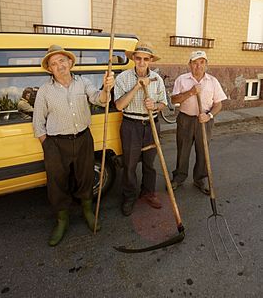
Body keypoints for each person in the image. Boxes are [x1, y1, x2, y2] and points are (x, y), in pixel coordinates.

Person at [32, 44, 114, 246]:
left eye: (61, 60)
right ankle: (62, 221)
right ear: (49, 69)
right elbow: (37, 122)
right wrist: (48, 145)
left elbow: (99, 99)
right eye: (53, 63)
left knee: (86, 177)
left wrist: (106, 87)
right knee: (57, 183)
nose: (59, 65)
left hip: (83, 139)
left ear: (69, 62)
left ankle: (87, 212)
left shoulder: (83, 82)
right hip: (56, 144)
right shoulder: (44, 90)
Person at [114, 42, 167, 216]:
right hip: (131, 125)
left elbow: (163, 104)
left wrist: (155, 105)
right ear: (133, 59)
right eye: (138, 58)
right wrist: (137, 86)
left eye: (146, 59)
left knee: (149, 163)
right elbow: (120, 105)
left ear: (150, 60)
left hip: (151, 123)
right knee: (129, 164)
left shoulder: (157, 79)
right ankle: (129, 197)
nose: (142, 62)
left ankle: (148, 193)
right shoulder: (123, 77)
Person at [170, 50, 227, 194]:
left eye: (202, 62)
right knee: (183, 150)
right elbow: (173, 100)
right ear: (189, 64)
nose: (198, 66)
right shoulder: (182, 80)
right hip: (185, 119)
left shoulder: (213, 81)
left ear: (206, 64)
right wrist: (190, 92)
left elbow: (218, 104)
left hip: (204, 120)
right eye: (195, 63)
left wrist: (209, 116)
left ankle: (199, 179)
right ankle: (179, 178)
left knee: (203, 151)